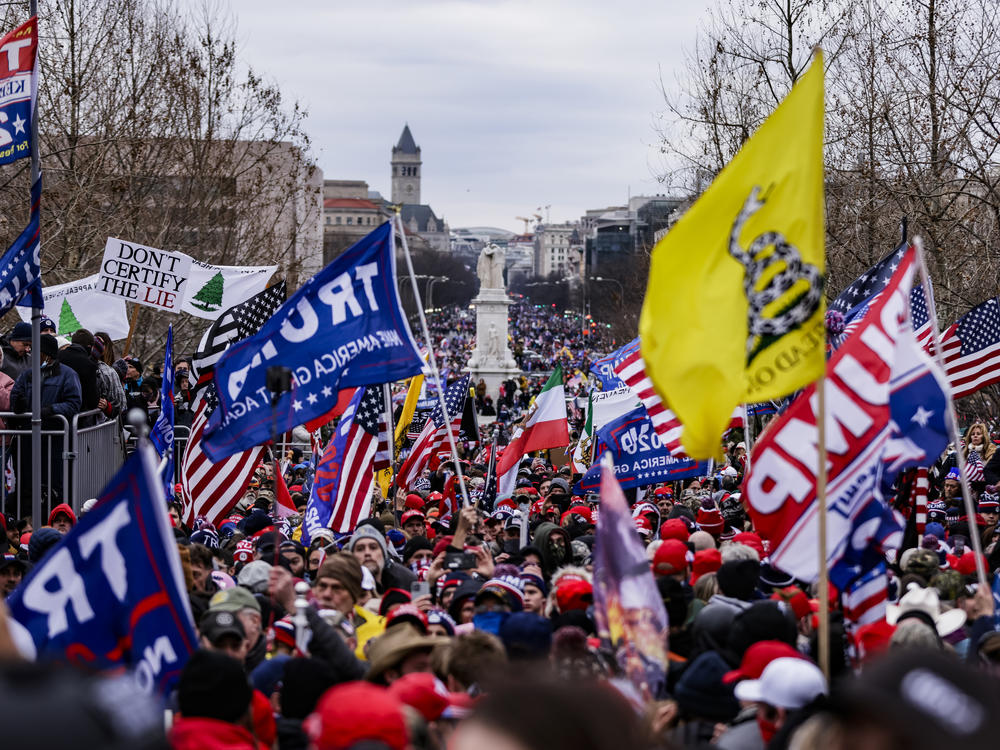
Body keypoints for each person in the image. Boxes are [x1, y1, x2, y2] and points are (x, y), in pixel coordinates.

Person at [10, 334, 82, 500]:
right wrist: (18, 405)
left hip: (55, 440)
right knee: (27, 483)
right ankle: (28, 520)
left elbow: (74, 403)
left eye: (37, 351)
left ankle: (55, 518)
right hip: (28, 440)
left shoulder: (68, 375)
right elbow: (15, 396)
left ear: (46, 354)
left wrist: (51, 410)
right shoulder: (27, 375)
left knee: (54, 483)